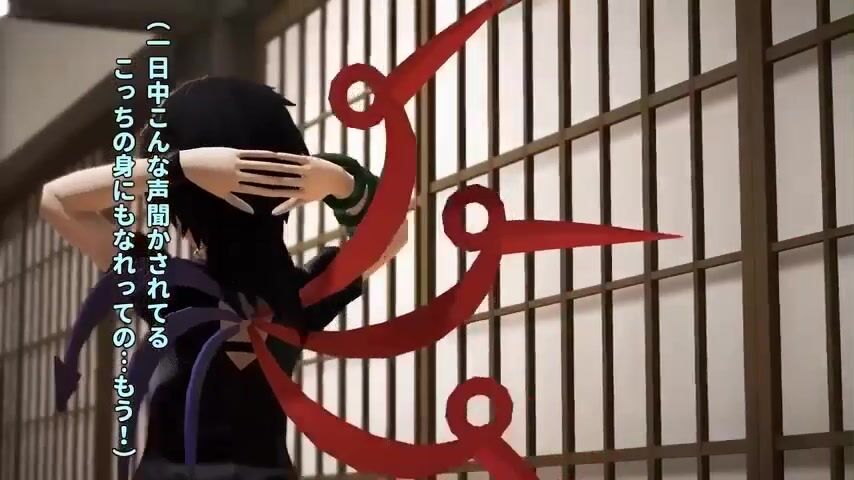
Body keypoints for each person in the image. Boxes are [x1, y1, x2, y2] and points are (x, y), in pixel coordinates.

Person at [39, 76, 408, 480]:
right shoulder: (172, 286)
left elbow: (389, 236)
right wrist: (184, 166)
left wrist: (339, 180)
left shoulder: (294, 294)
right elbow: (56, 201)